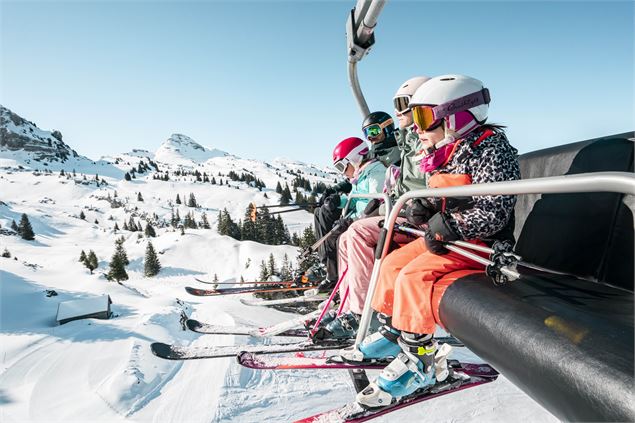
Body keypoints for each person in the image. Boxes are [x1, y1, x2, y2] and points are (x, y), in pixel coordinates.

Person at [352, 74, 520, 408]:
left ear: (458, 116)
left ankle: (420, 362)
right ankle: (393, 331)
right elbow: (442, 193)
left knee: (414, 277)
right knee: (391, 264)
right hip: (449, 239)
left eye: (425, 119)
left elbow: (496, 211)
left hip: (480, 245)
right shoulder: (449, 149)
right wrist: (425, 206)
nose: (417, 128)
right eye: (415, 119)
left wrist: (452, 225)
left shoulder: (490, 149)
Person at [315, 76, 431, 339]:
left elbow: (385, 187)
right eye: (369, 134)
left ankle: (361, 313)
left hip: (412, 213)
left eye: (406, 106)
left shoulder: (415, 145)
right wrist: (340, 193)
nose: (372, 139)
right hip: (403, 208)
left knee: (354, 234)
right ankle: (348, 305)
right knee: (345, 237)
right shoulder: (408, 143)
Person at [311, 137, 387, 294]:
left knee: (337, 237)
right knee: (326, 221)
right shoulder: (361, 175)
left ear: (355, 159)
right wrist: (338, 200)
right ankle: (333, 273)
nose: (343, 172)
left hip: (369, 220)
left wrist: (353, 220)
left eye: (342, 166)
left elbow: (375, 203)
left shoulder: (376, 173)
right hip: (359, 218)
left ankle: (339, 279)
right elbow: (355, 199)